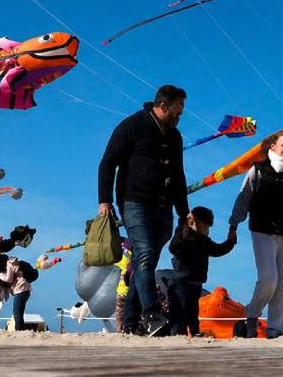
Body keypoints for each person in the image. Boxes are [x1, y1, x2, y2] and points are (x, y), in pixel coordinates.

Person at [97, 85, 190, 336]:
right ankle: (151, 314)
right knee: (145, 254)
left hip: (164, 205)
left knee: (143, 262)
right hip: (133, 201)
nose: (181, 112)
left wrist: (184, 212)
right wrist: (104, 200)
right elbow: (108, 163)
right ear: (163, 106)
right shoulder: (132, 126)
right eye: (178, 107)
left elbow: (178, 175)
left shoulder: (175, 136)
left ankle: (130, 322)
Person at [230, 128, 283, 339]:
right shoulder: (258, 170)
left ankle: (275, 329)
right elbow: (243, 198)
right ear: (272, 147)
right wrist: (234, 223)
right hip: (262, 230)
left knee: (282, 284)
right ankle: (252, 313)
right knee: (268, 279)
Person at [168, 205, 236, 336]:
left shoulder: (204, 241)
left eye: (208, 227)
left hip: (196, 283)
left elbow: (218, 250)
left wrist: (230, 242)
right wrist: (184, 226)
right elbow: (173, 247)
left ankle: (194, 333)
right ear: (195, 222)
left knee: (193, 313)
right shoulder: (183, 234)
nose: (207, 230)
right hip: (180, 283)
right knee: (179, 315)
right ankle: (177, 336)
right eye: (205, 225)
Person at [9, 256, 34, 331]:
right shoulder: (20, 265)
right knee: (20, 311)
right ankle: (21, 329)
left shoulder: (11, 266)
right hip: (27, 290)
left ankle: (19, 330)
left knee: (17, 311)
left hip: (20, 290)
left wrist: (10, 291)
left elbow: (8, 279)